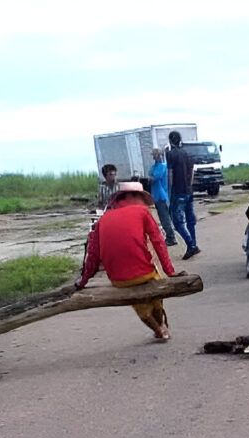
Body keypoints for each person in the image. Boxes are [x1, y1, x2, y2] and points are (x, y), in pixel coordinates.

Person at [76, 183, 185, 341]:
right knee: (156, 294)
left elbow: (92, 256)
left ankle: (158, 330)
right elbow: (159, 242)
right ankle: (162, 326)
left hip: (119, 280)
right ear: (133, 197)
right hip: (145, 273)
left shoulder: (102, 220)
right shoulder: (142, 211)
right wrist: (170, 272)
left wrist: (82, 282)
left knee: (140, 306)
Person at [166, 130, 201, 260]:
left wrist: (170, 188)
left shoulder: (170, 155)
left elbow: (170, 174)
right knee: (190, 219)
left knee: (178, 221)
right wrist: (189, 185)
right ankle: (194, 244)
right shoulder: (187, 153)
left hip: (178, 191)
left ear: (170, 141)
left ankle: (190, 245)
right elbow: (192, 171)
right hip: (188, 190)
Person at [149, 148, 178, 247]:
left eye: (155, 155)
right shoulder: (155, 166)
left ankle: (171, 237)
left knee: (164, 218)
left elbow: (154, 178)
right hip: (157, 195)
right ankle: (169, 236)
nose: (154, 157)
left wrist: (148, 178)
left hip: (161, 195)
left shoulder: (162, 167)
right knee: (162, 218)